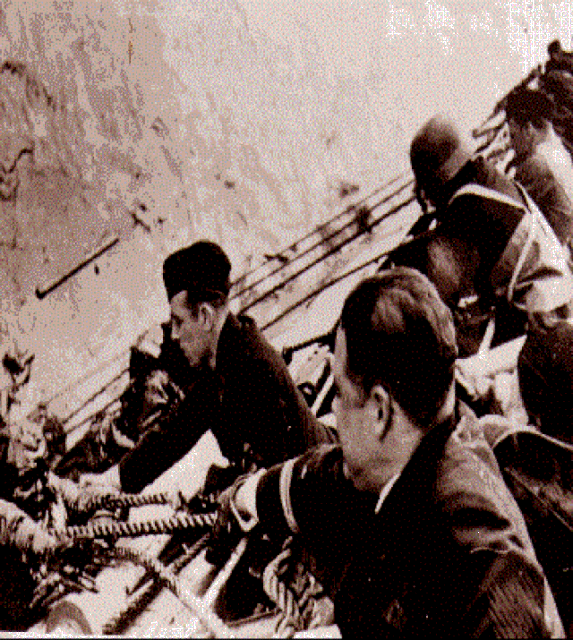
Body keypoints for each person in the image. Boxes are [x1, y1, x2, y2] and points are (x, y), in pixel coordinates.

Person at [208, 268, 564, 637]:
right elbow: (326, 475)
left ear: (379, 411)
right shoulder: (427, 444)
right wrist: (247, 496)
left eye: (341, 396)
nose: (336, 416)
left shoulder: (478, 564)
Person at [84, 240, 335, 495]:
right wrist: (115, 479)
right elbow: (176, 431)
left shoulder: (253, 370)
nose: (173, 334)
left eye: (178, 322)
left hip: (323, 479)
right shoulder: (224, 359)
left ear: (205, 317)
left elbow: (286, 474)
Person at [505, 88, 573, 256]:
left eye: (513, 136)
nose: (511, 145)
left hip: (548, 253)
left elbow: (507, 210)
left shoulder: (537, 164)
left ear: (528, 129)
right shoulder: (559, 153)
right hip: (560, 249)